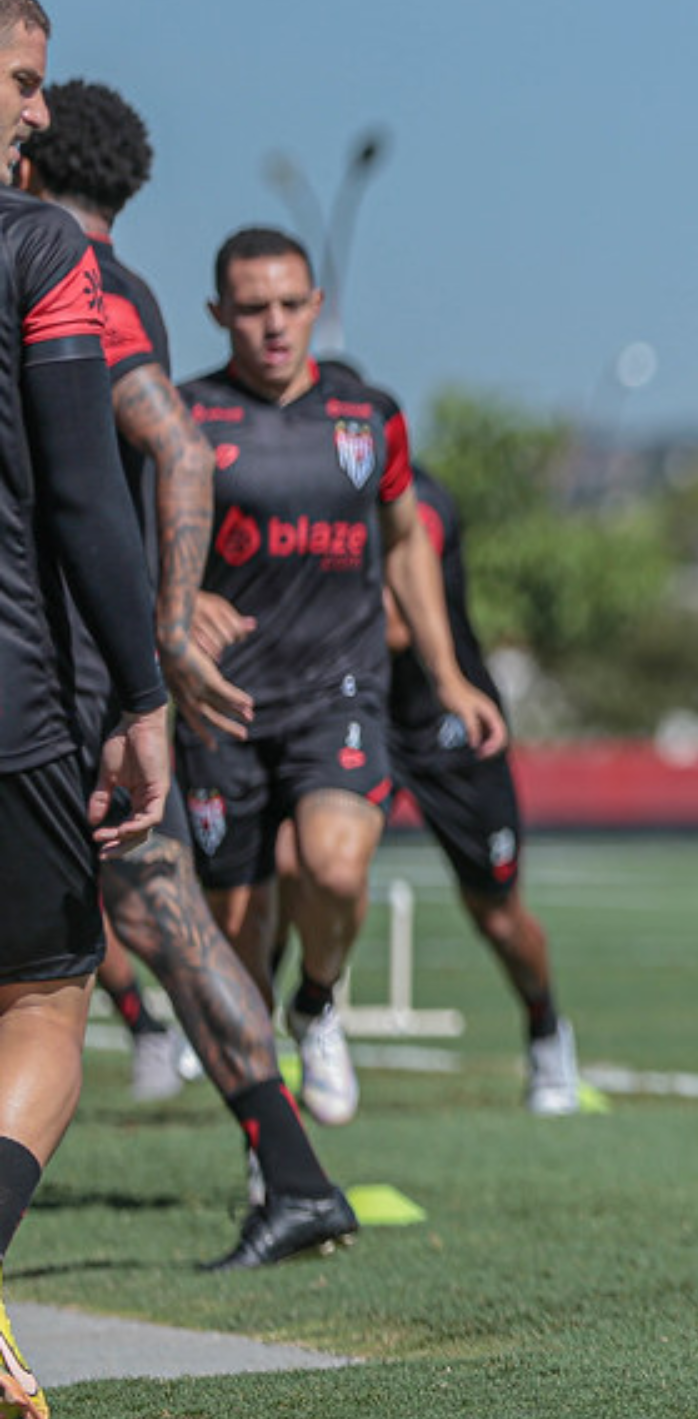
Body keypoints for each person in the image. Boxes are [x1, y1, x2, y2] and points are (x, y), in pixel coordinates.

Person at [18, 78, 357, 1269]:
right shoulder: (137, 287)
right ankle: (297, 1171)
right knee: (163, 919)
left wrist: (164, 619)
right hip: (83, 672)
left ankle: (298, 1168)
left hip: (60, 677)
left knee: (145, 927)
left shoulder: (66, 273)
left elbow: (173, 444)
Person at [176, 227, 504, 1129]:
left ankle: (317, 1003)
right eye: (251, 310)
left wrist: (447, 677)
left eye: (290, 305)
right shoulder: (181, 417)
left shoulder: (370, 417)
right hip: (220, 706)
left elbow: (405, 546)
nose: (274, 326)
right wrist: (179, 599)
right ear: (219, 314)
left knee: (333, 864)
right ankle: (269, 1154)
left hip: (339, 694)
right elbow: (119, 535)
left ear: (315, 305)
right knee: (235, 941)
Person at [0, 5, 172, 1419]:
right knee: (46, 1007)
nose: (35, 117)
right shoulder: (41, 250)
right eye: (18, 81)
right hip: (12, 707)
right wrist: (144, 693)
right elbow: (82, 496)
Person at [273, 386, 585, 1116]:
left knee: (498, 914)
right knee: (298, 864)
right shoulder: (299, 499)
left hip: (448, 723)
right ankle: (292, 1012)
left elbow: (400, 624)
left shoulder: (423, 503)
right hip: (351, 711)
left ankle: (545, 1030)